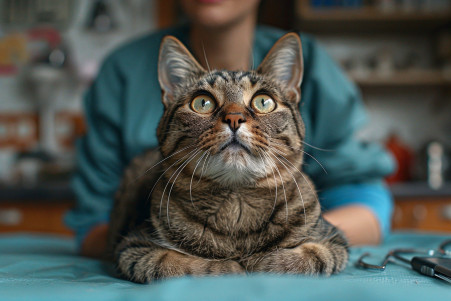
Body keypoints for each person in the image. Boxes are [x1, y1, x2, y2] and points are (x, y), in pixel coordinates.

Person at [66, 0, 395, 258]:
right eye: (203, 104)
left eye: (263, 103)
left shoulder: (311, 60)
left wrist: (283, 238)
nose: (234, 118)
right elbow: (94, 224)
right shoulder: (121, 70)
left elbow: (363, 194)